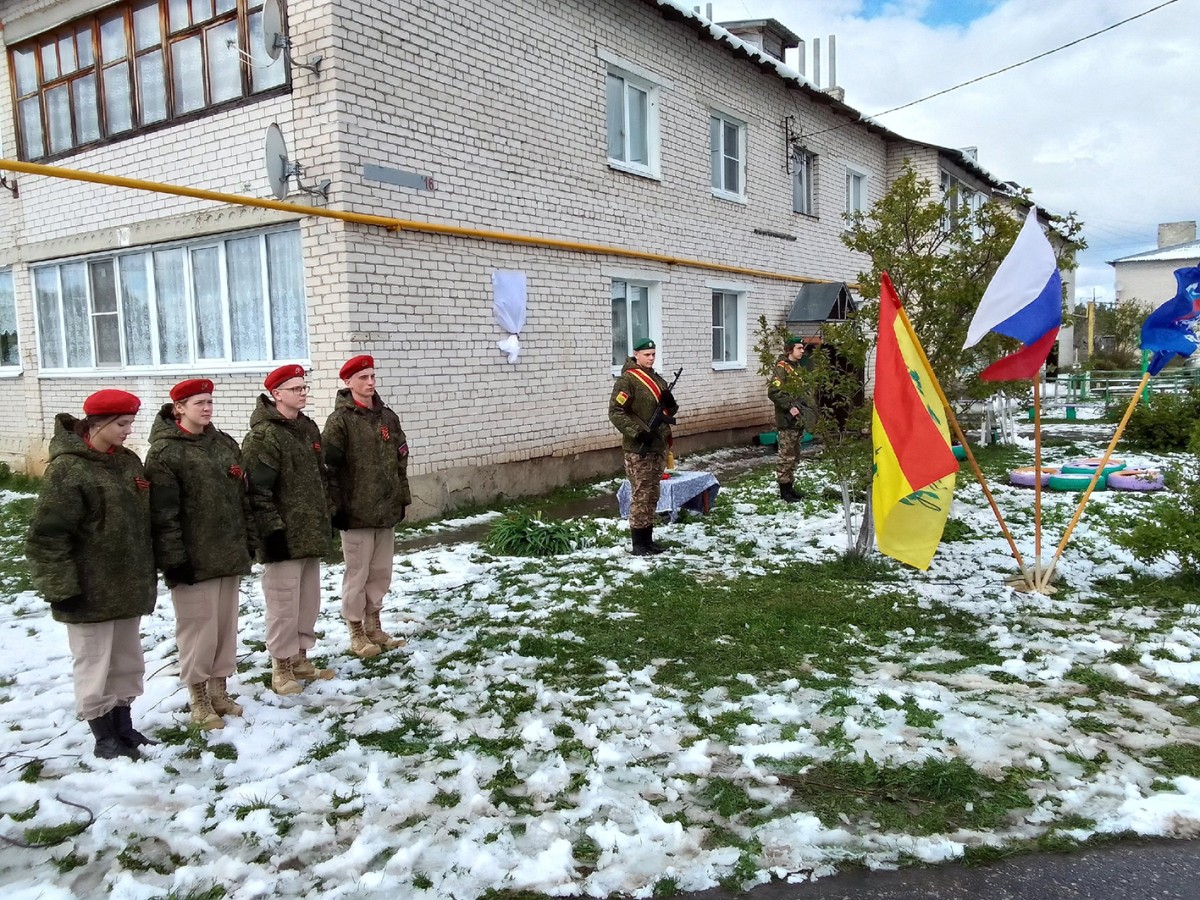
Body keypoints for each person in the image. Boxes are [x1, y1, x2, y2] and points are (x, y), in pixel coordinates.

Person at [25, 390, 157, 761]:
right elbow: (48, 535)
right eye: (121, 424)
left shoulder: (128, 462)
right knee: (95, 662)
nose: (128, 431)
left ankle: (124, 727)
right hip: (88, 589)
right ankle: (103, 737)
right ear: (96, 424)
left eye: (130, 423)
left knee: (126, 661)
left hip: (127, 585)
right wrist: (61, 587)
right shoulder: (69, 469)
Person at [145, 379, 254, 730]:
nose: (206, 408)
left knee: (224, 628)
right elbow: (163, 513)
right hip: (193, 558)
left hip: (227, 552)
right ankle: (198, 698)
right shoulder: (165, 452)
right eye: (198, 403)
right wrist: (174, 558)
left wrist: (247, 540)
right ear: (178, 408)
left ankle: (220, 691)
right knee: (198, 631)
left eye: (209, 402)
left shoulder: (223, 444)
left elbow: (242, 497)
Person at [242, 364, 335, 695]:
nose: (303, 393)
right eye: (295, 388)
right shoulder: (264, 436)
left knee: (308, 600)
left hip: (310, 531)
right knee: (283, 604)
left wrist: (326, 516)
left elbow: (320, 478)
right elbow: (257, 490)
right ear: (276, 394)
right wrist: (272, 531)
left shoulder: (308, 429)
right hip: (283, 536)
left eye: (304, 387)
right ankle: (281, 666)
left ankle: (300, 658)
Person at [323, 355, 411, 658]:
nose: (370, 383)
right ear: (348, 383)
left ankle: (374, 625)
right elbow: (329, 469)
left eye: (373, 376)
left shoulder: (387, 417)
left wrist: (401, 497)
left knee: (380, 572)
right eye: (363, 378)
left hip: (384, 510)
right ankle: (356, 631)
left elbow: (400, 459)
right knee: (357, 574)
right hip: (355, 511)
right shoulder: (340, 422)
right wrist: (337, 508)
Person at [609, 338, 678, 555]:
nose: (651, 358)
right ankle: (638, 543)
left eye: (653, 354)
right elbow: (615, 412)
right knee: (640, 494)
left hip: (657, 446)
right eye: (647, 354)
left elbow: (669, 413)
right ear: (636, 355)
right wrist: (637, 432)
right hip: (638, 447)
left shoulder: (658, 380)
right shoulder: (627, 381)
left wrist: (670, 403)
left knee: (652, 494)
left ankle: (648, 540)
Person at [768, 335, 819, 503]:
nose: (802, 350)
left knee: (794, 455)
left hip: (798, 420)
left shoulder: (796, 368)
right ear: (790, 350)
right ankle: (784, 491)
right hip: (788, 419)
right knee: (786, 456)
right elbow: (774, 392)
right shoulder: (782, 368)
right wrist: (790, 406)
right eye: (799, 348)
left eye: (803, 348)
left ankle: (790, 487)